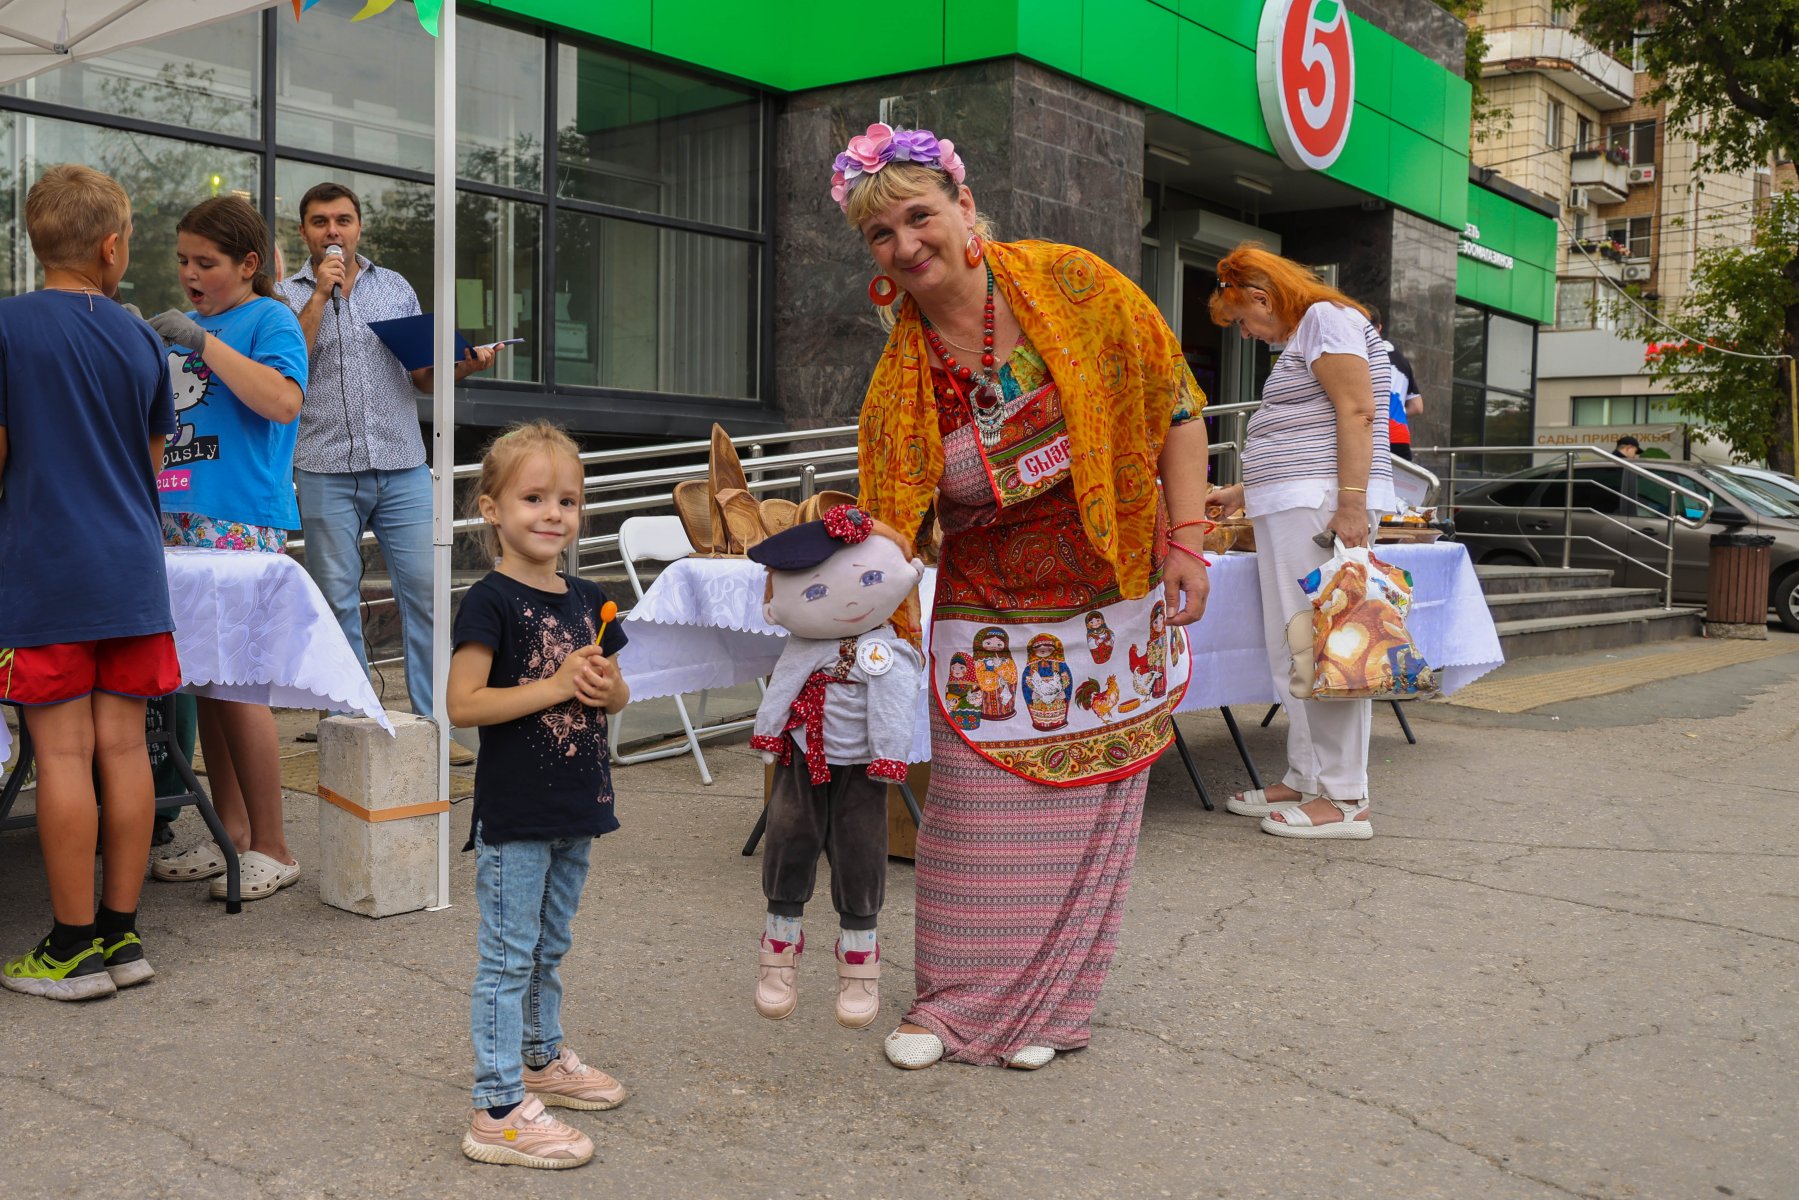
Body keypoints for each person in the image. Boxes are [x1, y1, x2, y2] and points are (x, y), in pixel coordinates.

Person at [834, 122, 1214, 1070]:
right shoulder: (900, 381)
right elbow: (892, 527)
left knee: (1091, 815)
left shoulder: (1076, 286)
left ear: (965, 210)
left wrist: (1192, 540)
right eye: (880, 237)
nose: (905, 245)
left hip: (1114, 591)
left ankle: (1051, 1013)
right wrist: (825, 600)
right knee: (971, 817)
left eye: (918, 217)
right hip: (988, 610)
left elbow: (1174, 406)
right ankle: (952, 1008)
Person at [0, 164, 179, 1000]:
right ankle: (122, 936)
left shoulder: (7, 328)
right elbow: (151, 466)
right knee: (125, 751)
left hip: (47, 571)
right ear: (110, 247)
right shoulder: (143, 337)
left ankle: (70, 948)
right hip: (134, 573)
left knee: (61, 754)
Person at [447, 420, 631, 1170]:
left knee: (548, 949)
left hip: (575, 807)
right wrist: (553, 686)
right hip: (515, 814)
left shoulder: (589, 598)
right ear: (491, 509)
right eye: (533, 498)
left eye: (568, 500)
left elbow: (616, 698)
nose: (553, 513)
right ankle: (495, 1108)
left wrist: (608, 687)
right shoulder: (487, 600)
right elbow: (463, 705)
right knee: (507, 960)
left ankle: (539, 1059)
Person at [275, 183, 494, 760]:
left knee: (425, 594)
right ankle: (352, 724)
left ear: (359, 227)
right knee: (336, 598)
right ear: (304, 233)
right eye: (320, 222)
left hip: (401, 465)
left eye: (343, 220)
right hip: (323, 466)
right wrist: (320, 296)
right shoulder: (282, 297)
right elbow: (283, 365)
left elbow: (422, 375)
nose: (333, 231)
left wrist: (462, 366)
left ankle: (435, 725)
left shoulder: (394, 285)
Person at [147, 196, 310, 900]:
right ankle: (232, 835)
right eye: (183, 260)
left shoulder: (269, 319)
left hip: (241, 523)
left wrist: (203, 343)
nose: (190, 273)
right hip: (178, 521)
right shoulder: (194, 324)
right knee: (208, 684)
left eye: (205, 262)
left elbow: (282, 401)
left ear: (249, 265)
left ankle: (273, 843)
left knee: (239, 685)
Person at [1206, 243, 1397, 841]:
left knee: (1321, 647)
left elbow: (1359, 411)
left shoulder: (1324, 319)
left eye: (1242, 318)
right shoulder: (1318, 325)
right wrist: (1247, 490)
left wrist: (1350, 503)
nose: (1245, 332)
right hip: (1302, 501)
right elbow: (1317, 423)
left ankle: (1344, 799)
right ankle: (1308, 777)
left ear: (1262, 297)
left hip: (1316, 506)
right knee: (1298, 648)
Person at [745, 507, 926, 1030]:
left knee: (861, 850)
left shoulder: (890, 652)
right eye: (817, 592)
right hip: (802, 756)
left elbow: (893, 710)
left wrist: (891, 758)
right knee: (788, 836)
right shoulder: (803, 647)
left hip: (864, 768)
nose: (849, 599)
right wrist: (769, 733)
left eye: (869, 580)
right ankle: (780, 944)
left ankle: (859, 959)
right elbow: (780, 690)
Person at [1366, 304, 1423, 461]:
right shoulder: (1402, 360)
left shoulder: (1362, 355)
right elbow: (1417, 407)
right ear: (1379, 327)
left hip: (1371, 436)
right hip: (1399, 436)